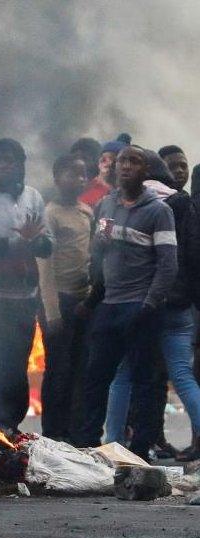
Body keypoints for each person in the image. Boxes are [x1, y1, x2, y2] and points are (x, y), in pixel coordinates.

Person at [72, 146, 178, 459]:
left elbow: (168, 264)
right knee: (96, 377)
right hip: (110, 304)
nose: (126, 167)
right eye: (122, 162)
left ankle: (141, 449)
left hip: (140, 305)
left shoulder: (159, 211)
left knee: (145, 381)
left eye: (133, 161)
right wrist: (98, 249)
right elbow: (98, 259)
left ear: (146, 170)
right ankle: (90, 445)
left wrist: (148, 305)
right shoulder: (106, 204)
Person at [104, 148, 200, 461]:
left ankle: (113, 445)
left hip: (139, 304)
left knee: (123, 375)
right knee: (183, 376)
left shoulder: (129, 204)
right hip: (177, 305)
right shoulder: (181, 202)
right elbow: (190, 256)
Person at [0, 138, 53, 436]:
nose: (5, 165)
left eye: (11, 160)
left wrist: (35, 241)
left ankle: (11, 429)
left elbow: (48, 245)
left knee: (18, 367)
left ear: (21, 164)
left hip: (25, 299)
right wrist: (10, 243)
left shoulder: (33, 198)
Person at [37, 153, 92, 442]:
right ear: (57, 178)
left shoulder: (86, 212)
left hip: (82, 301)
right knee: (59, 367)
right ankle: (53, 433)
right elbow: (44, 266)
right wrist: (52, 311)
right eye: (72, 174)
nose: (80, 179)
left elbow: (89, 257)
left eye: (83, 174)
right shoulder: (50, 214)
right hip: (58, 300)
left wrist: (91, 297)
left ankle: (73, 432)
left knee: (79, 368)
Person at [80, 134, 131, 208]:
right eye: (103, 159)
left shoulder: (127, 194)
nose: (108, 164)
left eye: (114, 160)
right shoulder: (86, 186)